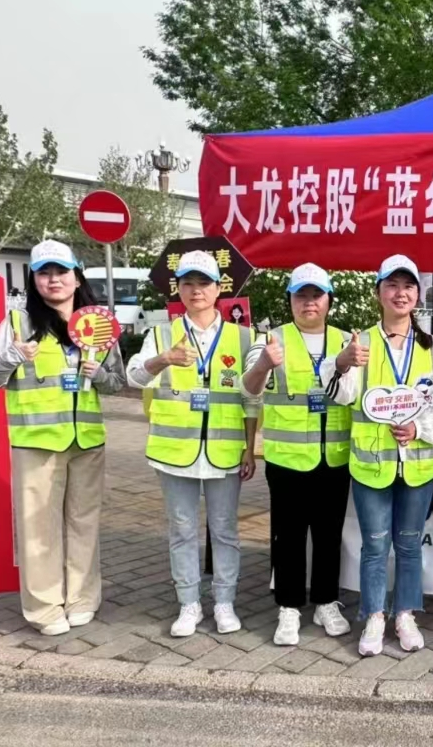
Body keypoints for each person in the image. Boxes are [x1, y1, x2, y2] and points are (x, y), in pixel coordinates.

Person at [0, 240, 126, 635]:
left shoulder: (98, 323)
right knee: (38, 529)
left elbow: (116, 382)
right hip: (36, 443)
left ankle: (82, 599)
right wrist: (13, 356)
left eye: (61, 272)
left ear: (77, 278)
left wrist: (99, 374)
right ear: (34, 280)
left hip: (87, 442)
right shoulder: (17, 322)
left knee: (84, 523)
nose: (53, 280)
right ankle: (44, 608)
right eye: (44, 273)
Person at [320, 254, 433, 657]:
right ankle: (375, 615)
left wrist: (419, 430)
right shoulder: (359, 342)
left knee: (410, 544)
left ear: (418, 294)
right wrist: (342, 364)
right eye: (392, 285)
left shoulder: (432, 346)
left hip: (416, 464)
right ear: (379, 292)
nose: (400, 293)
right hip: (371, 465)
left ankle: (406, 614)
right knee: (375, 545)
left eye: (408, 285)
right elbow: (341, 395)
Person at [126, 251, 260, 637]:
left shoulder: (244, 336)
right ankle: (189, 604)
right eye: (188, 283)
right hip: (174, 452)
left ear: (218, 289)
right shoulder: (160, 335)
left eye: (204, 283)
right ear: (178, 289)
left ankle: (224, 602)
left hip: (224, 451)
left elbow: (252, 398)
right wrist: (162, 360)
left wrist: (249, 448)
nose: (196, 290)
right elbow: (134, 377)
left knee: (225, 530)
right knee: (182, 529)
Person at [242, 263, 354, 645]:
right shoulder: (271, 339)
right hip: (287, 460)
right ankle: (288, 607)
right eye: (300, 295)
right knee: (288, 537)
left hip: (334, 457)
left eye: (316, 295)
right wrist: (263, 364)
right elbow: (248, 388)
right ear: (289, 300)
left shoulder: (345, 341)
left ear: (329, 300)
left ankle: (326, 602)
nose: (309, 302)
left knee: (328, 535)